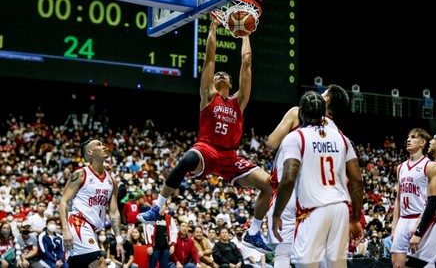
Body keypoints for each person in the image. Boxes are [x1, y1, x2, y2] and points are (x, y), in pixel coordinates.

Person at [137, 17, 274, 253]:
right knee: (188, 159)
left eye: (225, 75)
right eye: (217, 74)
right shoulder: (208, 95)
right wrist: (213, 28)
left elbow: (246, 63)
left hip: (230, 156)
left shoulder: (238, 102)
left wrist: (246, 33)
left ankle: (253, 233)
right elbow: (210, 59)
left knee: (270, 185)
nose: (220, 75)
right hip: (206, 149)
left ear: (230, 84)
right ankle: (157, 208)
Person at [265, 84, 362, 268]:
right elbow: (353, 179)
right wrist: (355, 217)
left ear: (325, 100)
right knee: (325, 259)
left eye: (323, 92)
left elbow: (271, 143)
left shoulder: (297, 114)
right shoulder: (340, 136)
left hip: (292, 194)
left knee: (284, 255)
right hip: (327, 200)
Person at [59, 138, 124, 268]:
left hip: (93, 229)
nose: (104, 146)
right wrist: (65, 229)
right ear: (90, 152)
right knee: (100, 264)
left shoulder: (112, 181)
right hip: (78, 223)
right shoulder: (80, 174)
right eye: (99, 145)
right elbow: (63, 202)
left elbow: (114, 211)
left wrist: (119, 239)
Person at [390, 128, 431, 268]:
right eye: (408, 137)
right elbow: (398, 198)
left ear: (422, 142)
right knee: (397, 264)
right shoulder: (400, 167)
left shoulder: (429, 165)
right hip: (403, 219)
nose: (408, 140)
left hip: (420, 218)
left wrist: (420, 223)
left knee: (416, 264)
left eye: (413, 137)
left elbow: (432, 199)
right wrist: (394, 226)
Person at [407, 132, 436, 267]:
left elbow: (433, 202)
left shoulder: (435, 166)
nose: (430, 142)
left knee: (418, 261)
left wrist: (419, 232)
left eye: (433, 139)